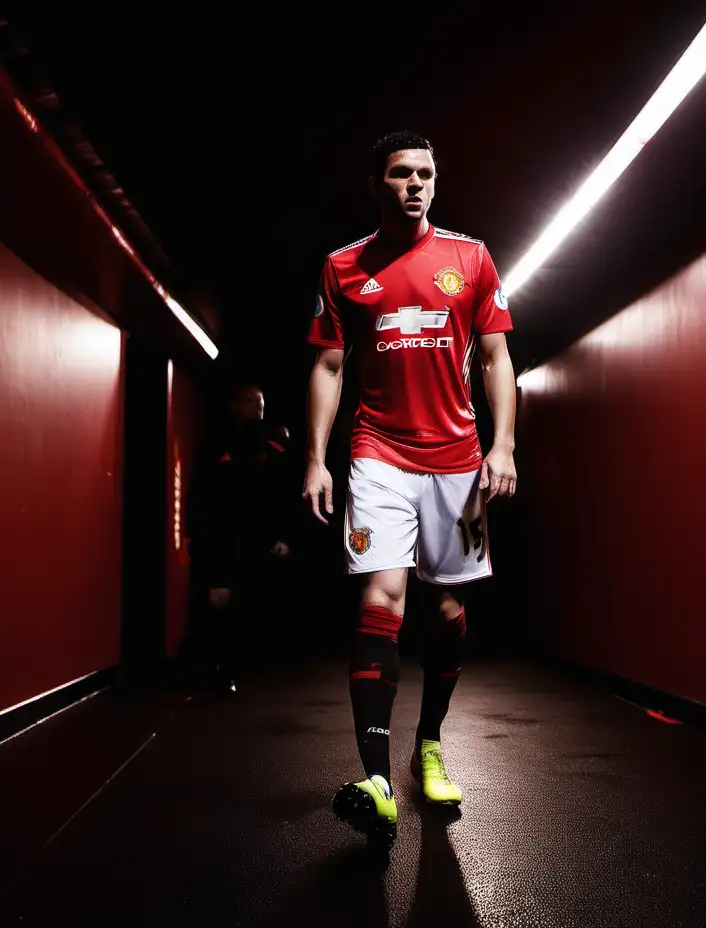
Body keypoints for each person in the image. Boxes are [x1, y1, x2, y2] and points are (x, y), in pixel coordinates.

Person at [302, 131, 517, 840]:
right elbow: (330, 366)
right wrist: (316, 457)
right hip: (378, 452)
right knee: (380, 595)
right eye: (400, 174)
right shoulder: (343, 267)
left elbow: (494, 356)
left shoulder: (471, 257)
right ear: (377, 184)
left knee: (446, 613)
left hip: (457, 458)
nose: (416, 184)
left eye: (426, 172)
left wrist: (504, 445)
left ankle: (429, 740)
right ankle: (376, 778)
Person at [187, 382, 293, 695]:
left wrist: (284, 535)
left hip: (258, 536)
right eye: (249, 400)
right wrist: (195, 531)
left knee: (253, 600)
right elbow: (199, 490)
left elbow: (283, 493)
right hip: (219, 534)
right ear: (235, 405)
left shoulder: (274, 443)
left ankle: (255, 669)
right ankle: (218, 668)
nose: (256, 406)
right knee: (219, 599)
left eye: (260, 401)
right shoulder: (215, 444)